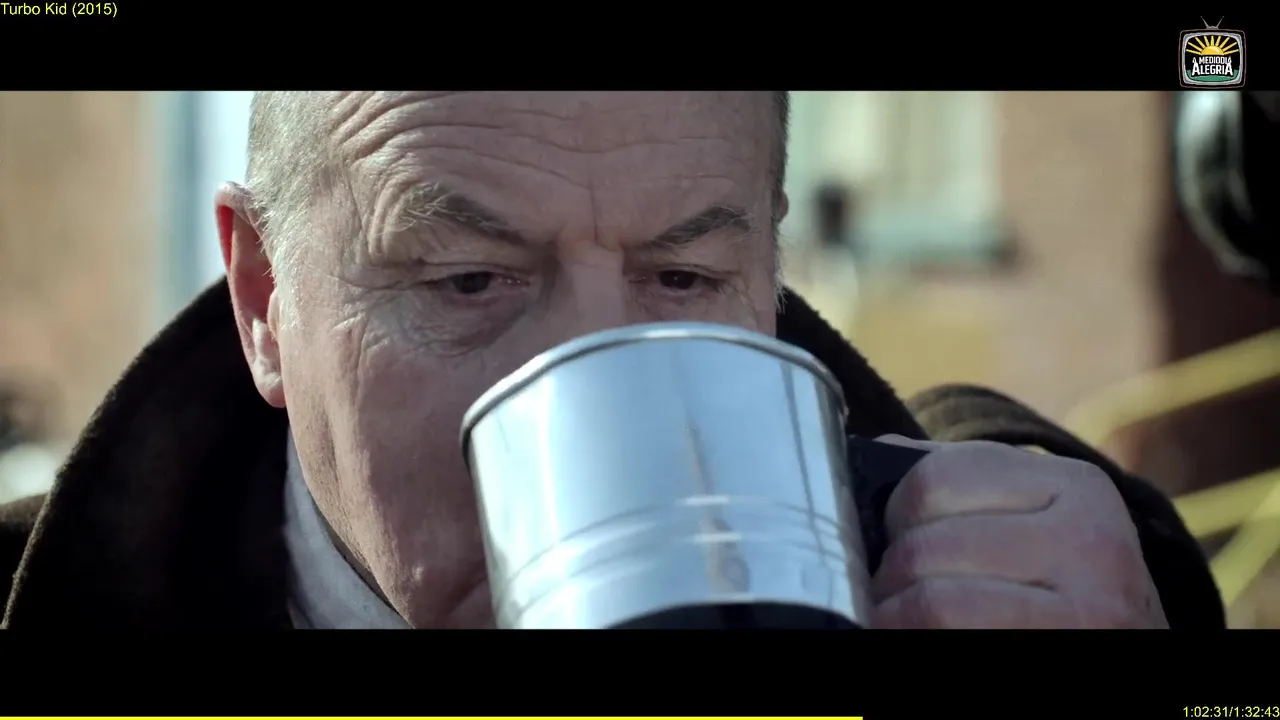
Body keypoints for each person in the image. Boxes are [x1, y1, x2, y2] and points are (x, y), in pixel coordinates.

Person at [0, 92, 1224, 629]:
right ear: (265, 300)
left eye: (681, 279)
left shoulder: (1041, 579)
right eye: (468, 279)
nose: (597, 383)